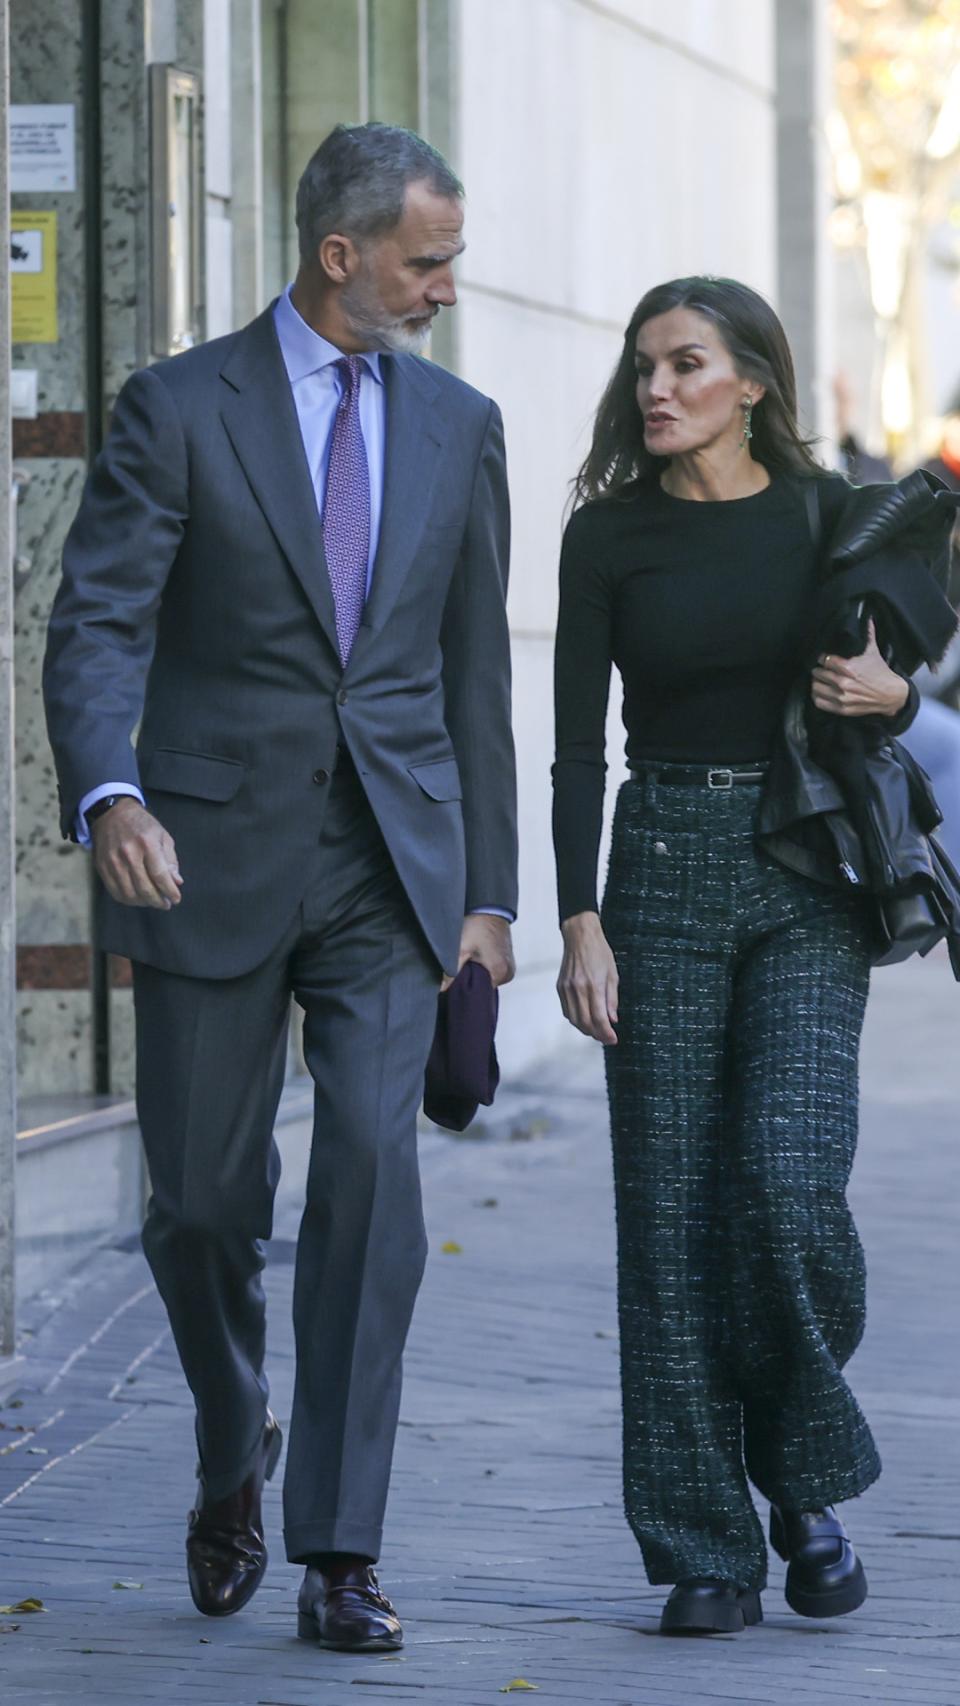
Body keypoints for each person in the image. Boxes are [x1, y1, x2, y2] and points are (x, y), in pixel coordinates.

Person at [43, 122, 517, 1653]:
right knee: (196, 1205)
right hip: (208, 856)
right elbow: (98, 619)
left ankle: (339, 1542)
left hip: (390, 868)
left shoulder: (460, 422)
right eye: (426, 260)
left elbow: (471, 682)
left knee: (373, 1183)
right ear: (341, 254)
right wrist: (109, 789)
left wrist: (490, 894)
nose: (448, 285)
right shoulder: (179, 408)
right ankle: (230, 1428)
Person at [552, 277, 916, 1637]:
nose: (656, 387)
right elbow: (576, 741)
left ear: (752, 380)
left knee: (783, 1179)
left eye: (686, 363)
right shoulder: (608, 538)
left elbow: (902, 663)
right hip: (657, 867)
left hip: (803, 868)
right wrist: (578, 917)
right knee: (667, 1218)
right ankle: (706, 1542)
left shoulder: (828, 518)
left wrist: (899, 692)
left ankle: (800, 1468)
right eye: (643, 365)